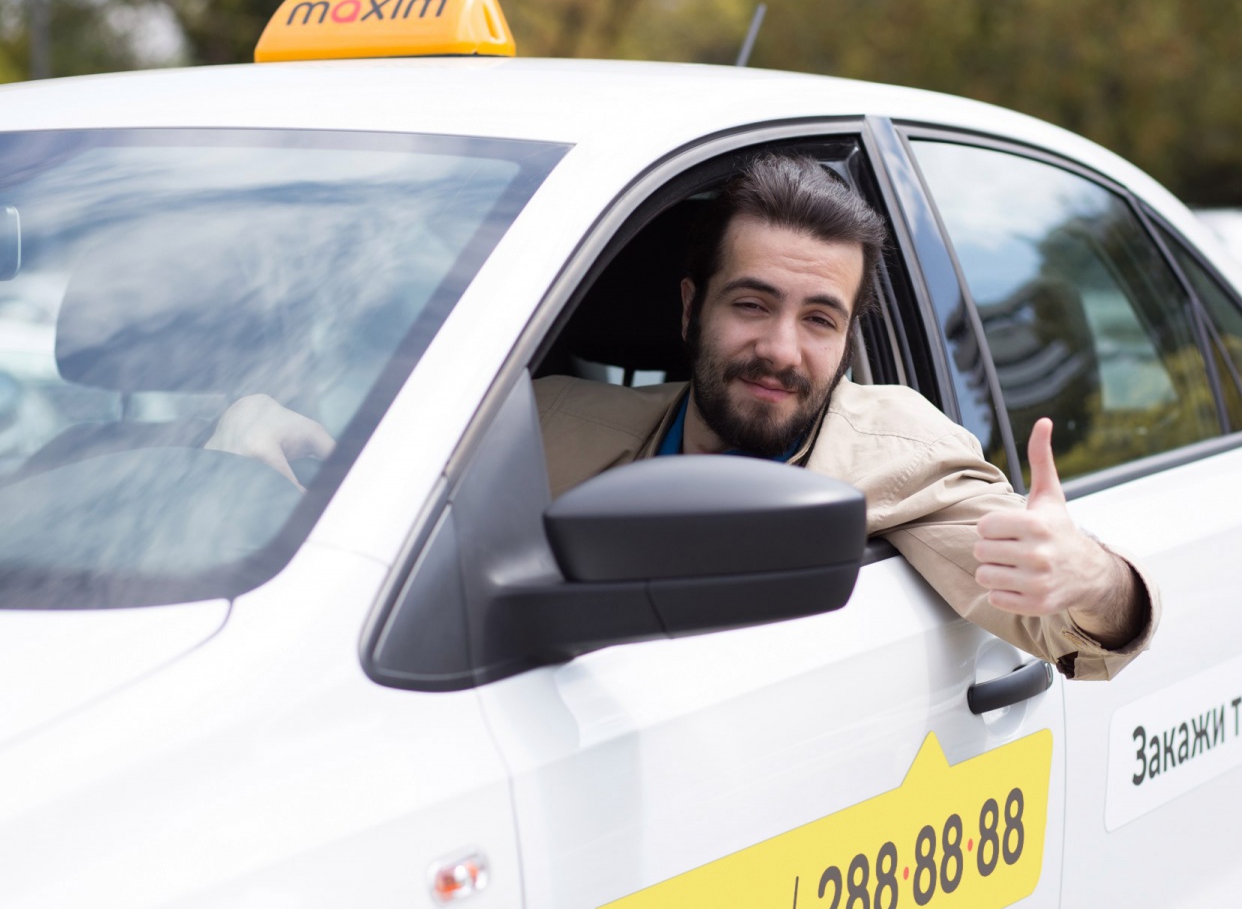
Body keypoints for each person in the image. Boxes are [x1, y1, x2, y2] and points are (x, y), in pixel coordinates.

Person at [209, 154, 1157, 681]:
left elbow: (1076, 631)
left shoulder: (899, 462)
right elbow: (383, 492)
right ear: (689, 310)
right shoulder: (550, 424)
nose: (782, 348)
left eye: (819, 318)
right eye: (751, 304)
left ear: (847, 338)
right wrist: (262, 429)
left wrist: (1092, 573)